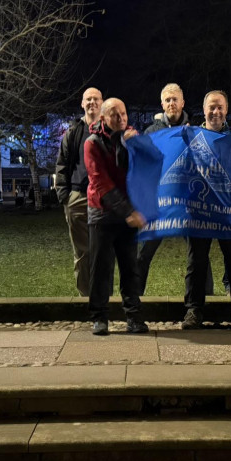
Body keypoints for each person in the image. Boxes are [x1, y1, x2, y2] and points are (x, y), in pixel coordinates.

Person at [181, 90, 231, 331]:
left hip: (228, 212)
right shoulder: (191, 139)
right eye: (212, 107)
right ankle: (194, 310)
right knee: (197, 261)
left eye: (220, 107)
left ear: (226, 110)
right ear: (204, 110)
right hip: (199, 210)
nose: (216, 112)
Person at [137, 83, 213, 295]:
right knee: (143, 253)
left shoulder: (194, 130)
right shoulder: (151, 132)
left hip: (187, 202)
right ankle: (134, 297)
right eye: (168, 100)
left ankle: (206, 296)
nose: (171, 103)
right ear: (162, 104)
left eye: (175, 99)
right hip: (158, 203)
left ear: (182, 103)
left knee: (199, 253)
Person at [84, 98, 148, 336]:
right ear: (103, 119)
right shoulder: (92, 144)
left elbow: (148, 164)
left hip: (127, 214)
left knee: (130, 267)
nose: (121, 119)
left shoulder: (132, 138)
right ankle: (99, 317)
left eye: (123, 113)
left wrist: (138, 145)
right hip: (103, 213)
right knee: (101, 268)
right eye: (114, 115)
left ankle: (133, 316)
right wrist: (128, 212)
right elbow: (100, 182)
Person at [53, 87, 102, 296]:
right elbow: (62, 164)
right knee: (82, 253)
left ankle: (102, 298)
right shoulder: (74, 132)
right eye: (88, 99)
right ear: (82, 104)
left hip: (103, 199)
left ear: (102, 103)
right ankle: (86, 298)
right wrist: (65, 197)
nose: (92, 102)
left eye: (96, 99)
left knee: (102, 252)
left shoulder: (109, 128)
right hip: (77, 198)